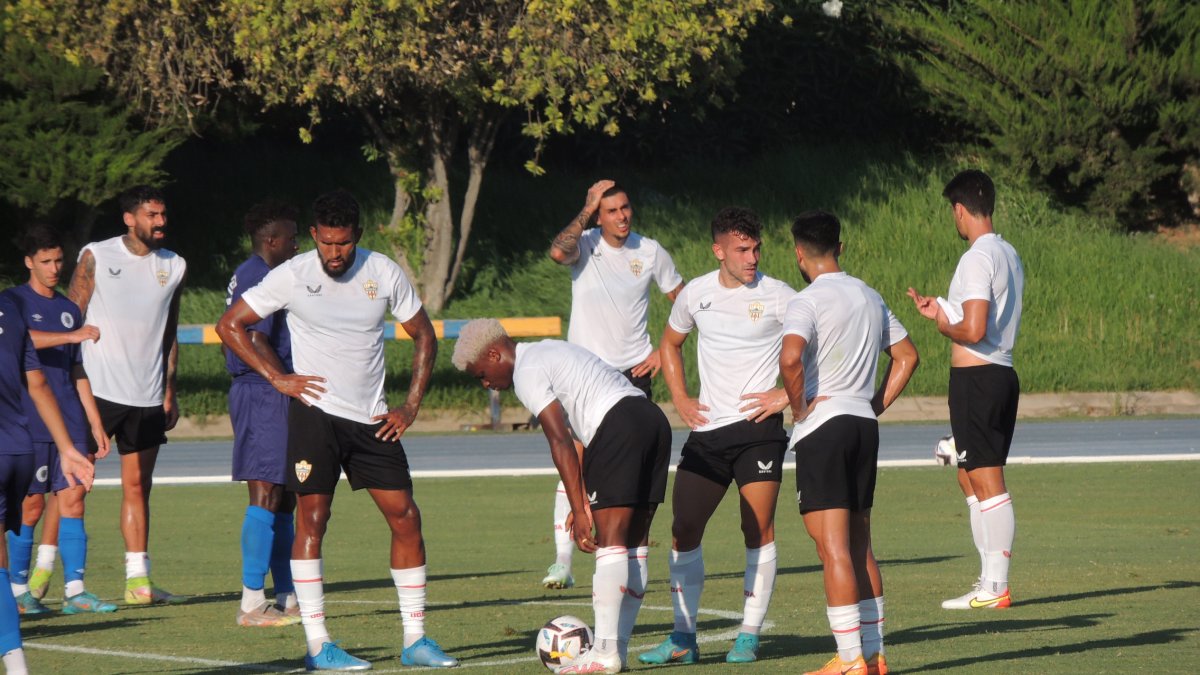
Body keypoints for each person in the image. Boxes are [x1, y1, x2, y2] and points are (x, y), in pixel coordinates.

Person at [217, 189, 458, 670]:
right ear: (313, 236)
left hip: (372, 419)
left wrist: (409, 407)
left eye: (343, 244)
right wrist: (277, 378)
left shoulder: (383, 271)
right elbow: (230, 325)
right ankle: (318, 645)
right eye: (326, 243)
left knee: (406, 516)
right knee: (312, 520)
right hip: (314, 416)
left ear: (358, 237)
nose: (334, 253)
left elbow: (425, 334)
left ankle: (415, 640)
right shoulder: (291, 274)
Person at [452, 319, 672, 675]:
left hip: (618, 424)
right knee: (635, 546)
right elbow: (581, 431)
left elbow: (559, 440)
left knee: (611, 544)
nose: (486, 384)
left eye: (481, 374)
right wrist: (582, 494)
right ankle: (618, 649)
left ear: (494, 354)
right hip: (651, 419)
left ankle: (602, 652)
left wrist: (577, 506)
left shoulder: (526, 371)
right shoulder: (548, 349)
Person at [640, 207, 795, 666]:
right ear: (719, 251)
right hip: (707, 434)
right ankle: (683, 638)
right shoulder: (695, 294)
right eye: (742, 249)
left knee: (757, 526)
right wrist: (681, 399)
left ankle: (748, 634)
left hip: (759, 432)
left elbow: (825, 345)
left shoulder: (781, 295)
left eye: (756, 248)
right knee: (683, 529)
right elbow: (669, 344)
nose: (752, 257)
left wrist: (786, 394)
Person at [781, 210, 919, 675]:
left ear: (800, 255)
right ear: (840, 247)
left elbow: (791, 358)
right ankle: (874, 656)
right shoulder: (870, 295)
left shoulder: (806, 301)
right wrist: (873, 404)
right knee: (860, 545)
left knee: (832, 547)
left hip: (825, 426)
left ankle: (848, 661)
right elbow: (907, 356)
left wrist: (799, 410)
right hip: (863, 425)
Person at [542, 179, 683, 589]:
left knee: (630, 468)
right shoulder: (582, 244)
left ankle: (631, 555)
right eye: (611, 211)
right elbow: (556, 252)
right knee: (577, 456)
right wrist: (586, 206)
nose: (621, 216)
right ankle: (563, 561)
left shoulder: (651, 251)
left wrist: (663, 350)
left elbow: (686, 301)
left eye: (625, 208)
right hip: (585, 371)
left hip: (632, 376)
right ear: (598, 216)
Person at [906, 169, 1023, 611]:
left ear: (960, 210)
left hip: (979, 378)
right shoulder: (1008, 253)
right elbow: (983, 320)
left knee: (987, 479)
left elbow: (973, 329)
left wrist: (942, 324)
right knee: (969, 474)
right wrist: (944, 309)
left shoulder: (976, 257)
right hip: (995, 374)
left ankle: (995, 587)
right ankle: (988, 582)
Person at [67, 184, 187, 605]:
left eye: (163, 214)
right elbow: (70, 320)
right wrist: (67, 382)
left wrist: (169, 388)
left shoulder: (174, 265)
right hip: (96, 391)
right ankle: (56, 580)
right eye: (152, 215)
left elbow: (170, 330)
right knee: (74, 485)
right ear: (129, 219)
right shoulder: (96, 255)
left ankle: (138, 582)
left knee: (138, 486)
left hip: (148, 395)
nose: (160, 222)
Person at [2, 225, 114, 616]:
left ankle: (76, 591)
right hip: (30, 422)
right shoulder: (12, 302)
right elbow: (20, 341)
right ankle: (18, 592)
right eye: (45, 261)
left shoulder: (68, 309)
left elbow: (76, 371)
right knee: (30, 507)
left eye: (58, 261)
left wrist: (95, 422)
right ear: (29, 262)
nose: (53, 268)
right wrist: (72, 336)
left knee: (74, 501)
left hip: (70, 420)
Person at [0, 282, 95, 674]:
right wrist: (69, 447)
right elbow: (37, 384)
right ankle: (18, 666)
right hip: (16, 448)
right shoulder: (11, 310)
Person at [224, 201, 301, 627]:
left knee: (285, 496)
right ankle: (252, 602)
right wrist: (282, 380)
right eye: (291, 237)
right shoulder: (260, 276)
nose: (296, 244)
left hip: (270, 389)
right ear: (271, 241)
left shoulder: (257, 272)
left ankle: (287, 594)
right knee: (266, 493)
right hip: (261, 390)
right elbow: (254, 338)